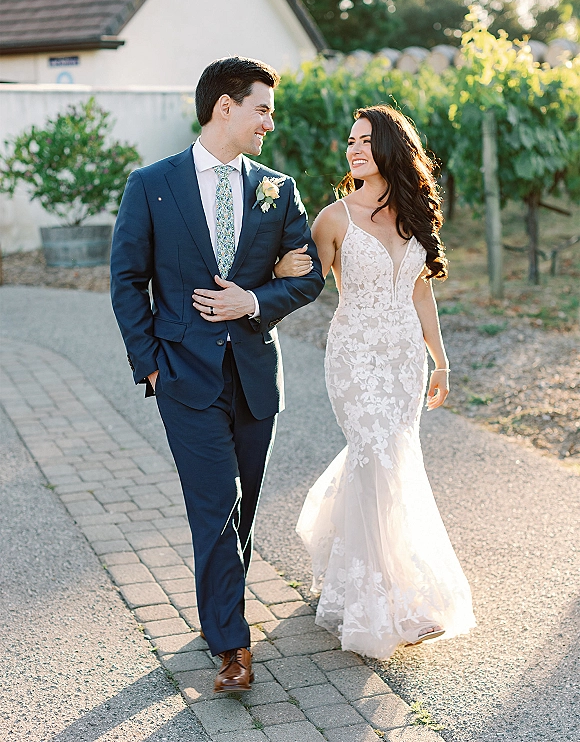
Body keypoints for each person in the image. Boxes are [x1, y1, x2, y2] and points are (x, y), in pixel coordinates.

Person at [110, 57, 324, 692]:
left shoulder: (277, 189)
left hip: (256, 375)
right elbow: (127, 280)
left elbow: (310, 273)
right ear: (224, 107)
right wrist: (149, 364)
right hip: (182, 376)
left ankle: (217, 613)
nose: (270, 122)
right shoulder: (151, 185)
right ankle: (234, 648)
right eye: (262, 108)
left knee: (243, 512)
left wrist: (253, 301)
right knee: (215, 507)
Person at [278, 104, 475, 659]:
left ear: (389, 148)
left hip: (404, 359)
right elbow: (305, 282)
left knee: (394, 459)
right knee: (374, 454)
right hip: (355, 356)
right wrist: (274, 274)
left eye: (365, 141)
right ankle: (374, 601)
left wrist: (439, 358)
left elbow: (419, 291)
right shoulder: (333, 218)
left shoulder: (411, 214)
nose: (354, 149)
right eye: (350, 141)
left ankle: (385, 582)